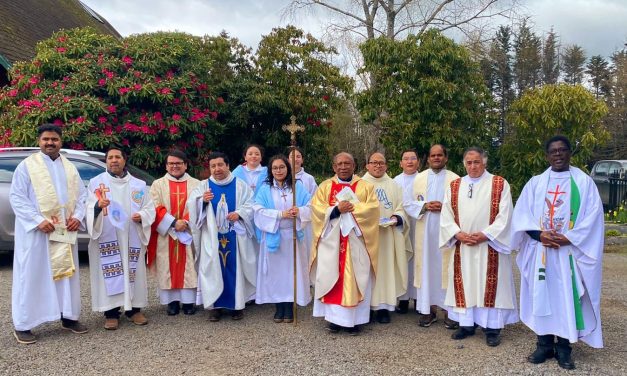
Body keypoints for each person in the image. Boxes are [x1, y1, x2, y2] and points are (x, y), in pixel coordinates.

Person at [512, 135, 604, 370]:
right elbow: (522, 217)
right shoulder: (535, 184)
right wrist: (540, 235)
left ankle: (564, 349)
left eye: (562, 150)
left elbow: (593, 218)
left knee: (566, 299)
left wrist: (568, 238)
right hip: (541, 252)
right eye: (553, 151)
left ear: (570, 153)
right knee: (541, 296)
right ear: (547, 155)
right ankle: (543, 345)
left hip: (568, 254)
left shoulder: (583, 182)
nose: (558, 154)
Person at [10, 124, 88, 344]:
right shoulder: (27, 166)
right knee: (32, 276)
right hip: (38, 234)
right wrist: (37, 221)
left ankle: (68, 317)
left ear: (61, 141)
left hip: (63, 232)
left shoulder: (70, 167)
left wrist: (78, 217)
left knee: (67, 276)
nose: (50, 143)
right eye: (46, 139)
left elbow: (82, 197)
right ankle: (23, 324)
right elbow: (17, 197)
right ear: (39, 141)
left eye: (54, 139)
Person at [439, 147, 517, 347]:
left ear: (485, 162)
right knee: (466, 283)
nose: (473, 166)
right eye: (469, 162)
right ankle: (466, 324)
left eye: (476, 162)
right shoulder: (455, 186)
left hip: (490, 246)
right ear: (464, 164)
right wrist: (458, 234)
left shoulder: (499, 184)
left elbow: (505, 215)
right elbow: (446, 215)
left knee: (489, 285)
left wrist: (485, 235)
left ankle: (492, 328)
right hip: (463, 246)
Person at [86, 147, 155, 330]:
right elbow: (86, 207)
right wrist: (97, 207)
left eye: (118, 157)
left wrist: (142, 215)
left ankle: (134, 310)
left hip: (132, 234)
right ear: (106, 161)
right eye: (110, 158)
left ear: (125, 160)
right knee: (110, 271)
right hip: (108, 235)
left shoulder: (138, 185)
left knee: (134, 272)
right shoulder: (96, 183)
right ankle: (111, 313)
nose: (114, 160)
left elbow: (150, 208)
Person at [310, 152, 379, 335]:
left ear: (354, 166)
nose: (343, 167)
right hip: (332, 242)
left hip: (356, 240)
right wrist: (335, 210)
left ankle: (355, 321)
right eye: (339, 163)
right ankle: (333, 320)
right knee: (331, 276)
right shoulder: (325, 187)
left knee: (357, 278)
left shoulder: (365, 187)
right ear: (334, 167)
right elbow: (316, 210)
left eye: (347, 163)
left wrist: (350, 209)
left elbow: (372, 210)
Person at [188, 152, 257, 321]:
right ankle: (215, 306)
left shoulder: (240, 185)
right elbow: (191, 206)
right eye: (213, 166)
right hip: (211, 237)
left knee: (234, 269)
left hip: (235, 235)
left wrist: (239, 213)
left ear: (227, 165)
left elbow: (251, 205)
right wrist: (202, 201)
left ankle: (236, 306)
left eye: (220, 165)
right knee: (212, 269)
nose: (217, 169)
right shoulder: (203, 187)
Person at [403, 145, 460, 329]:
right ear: (427, 159)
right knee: (427, 269)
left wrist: (444, 207)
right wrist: (425, 206)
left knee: (448, 270)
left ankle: (450, 312)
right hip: (425, 232)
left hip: (447, 233)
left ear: (446, 158)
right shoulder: (418, 179)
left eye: (440, 155)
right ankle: (429, 310)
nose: (436, 158)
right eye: (433, 155)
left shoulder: (456, 179)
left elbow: (463, 206)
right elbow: (407, 203)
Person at [253, 155, 312, 323]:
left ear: (288, 169)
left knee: (291, 272)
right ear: (270, 171)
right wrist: (280, 214)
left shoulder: (297, 188)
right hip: (274, 236)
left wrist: (299, 211)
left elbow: (310, 206)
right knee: (276, 274)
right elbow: (257, 211)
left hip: (293, 236)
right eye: (275, 168)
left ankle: (290, 306)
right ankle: (279, 307)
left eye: (282, 167)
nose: (279, 171)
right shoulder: (265, 189)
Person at [147, 150, 201, 316]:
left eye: (178, 163)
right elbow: (154, 207)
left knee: (190, 265)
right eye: (171, 163)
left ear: (185, 164)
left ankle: (189, 302)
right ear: (166, 166)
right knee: (166, 265)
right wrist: (172, 222)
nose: (174, 166)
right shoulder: (158, 184)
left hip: (188, 232)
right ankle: (171, 302)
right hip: (166, 234)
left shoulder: (197, 184)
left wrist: (184, 222)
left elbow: (199, 206)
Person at [362, 152, 412, 324]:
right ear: (367, 165)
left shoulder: (394, 185)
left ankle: (383, 308)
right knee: (366, 271)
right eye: (374, 162)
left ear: (386, 165)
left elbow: (401, 207)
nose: (377, 166)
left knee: (385, 270)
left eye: (381, 163)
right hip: (365, 237)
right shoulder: (360, 184)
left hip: (387, 237)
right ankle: (365, 308)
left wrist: (396, 218)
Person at [393, 149, 420, 314]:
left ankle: (419, 299)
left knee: (419, 260)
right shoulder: (394, 181)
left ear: (418, 162)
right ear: (400, 163)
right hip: (401, 225)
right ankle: (402, 299)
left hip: (419, 225)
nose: (409, 162)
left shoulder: (424, 179)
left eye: (413, 158)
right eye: (406, 159)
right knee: (402, 258)